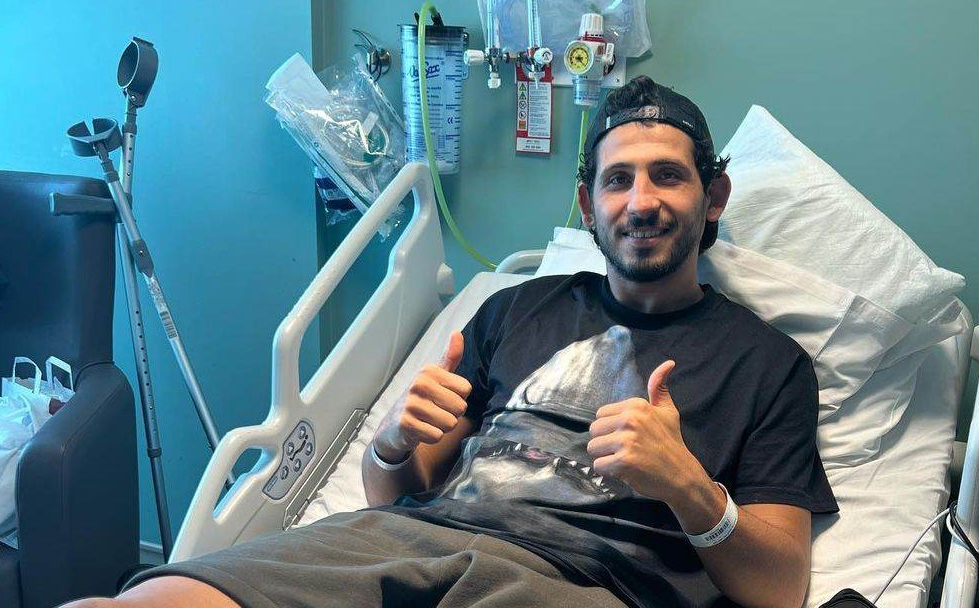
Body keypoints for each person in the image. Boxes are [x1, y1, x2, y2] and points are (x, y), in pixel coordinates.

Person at [64, 75, 837, 608]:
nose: (640, 202)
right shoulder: (515, 309)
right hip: (406, 541)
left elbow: (778, 589)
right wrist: (392, 444)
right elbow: (396, 492)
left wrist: (688, 488)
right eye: (617, 180)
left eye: (667, 176)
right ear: (587, 203)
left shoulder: (768, 366)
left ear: (713, 195)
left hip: (585, 584)